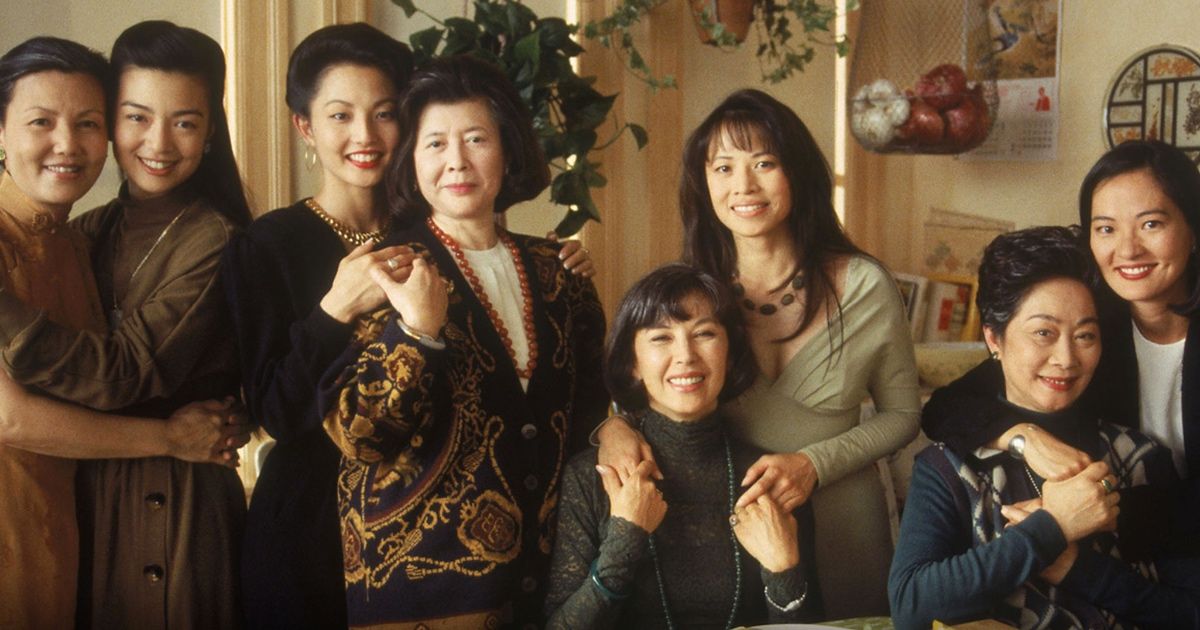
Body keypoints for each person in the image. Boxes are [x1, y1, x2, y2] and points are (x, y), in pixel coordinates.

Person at [598, 88, 920, 616]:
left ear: (797, 173)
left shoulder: (864, 284)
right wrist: (611, 427)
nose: (743, 186)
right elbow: (640, 389)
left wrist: (814, 463)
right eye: (723, 168)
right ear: (704, 184)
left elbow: (903, 414)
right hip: (730, 523)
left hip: (846, 519)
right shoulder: (693, 297)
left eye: (764, 163)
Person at [318, 54, 608, 627]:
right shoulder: (386, 271)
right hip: (420, 590)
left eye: (476, 139)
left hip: (550, 582)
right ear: (410, 159)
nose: (456, 162)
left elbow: (592, 410)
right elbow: (358, 435)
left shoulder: (559, 272)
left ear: (507, 150)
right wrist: (416, 333)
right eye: (434, 144)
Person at [0, 22, 252, 628]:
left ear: (212, 130)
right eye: (136, 117)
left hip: (172, 504)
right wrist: (169, 433)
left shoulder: (214, 239)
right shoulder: (88, 230)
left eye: (185, 122)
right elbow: (12, 415)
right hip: (77, 500)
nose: (158, 142)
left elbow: (124, 371)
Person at [889, 226, 1200, 629]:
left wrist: (1076, 569)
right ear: (994, 338)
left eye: (1085, 335)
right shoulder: (950, 466)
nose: (1066, 358)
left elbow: (1190, 615)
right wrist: (1050, 530)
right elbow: (911, 607)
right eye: (1043, 333)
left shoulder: (1138, 456)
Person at [222, 23, 414, 628]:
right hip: (306, 529)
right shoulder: (266, 245)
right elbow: (273, 412)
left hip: (426, 522)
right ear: (305, 125)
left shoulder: (433, 233)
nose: (365, 136)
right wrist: (335, 309)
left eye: (385, 114)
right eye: (340, 115)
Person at [922, 140, 1200, 528]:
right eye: (1106, 228)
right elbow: (946, 407)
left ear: (1193, 228)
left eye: (1151, 224)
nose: (1127, 249)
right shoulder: (1090, 330)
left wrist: (1079, 517)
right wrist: (1022, 437)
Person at [545, 263, 820, 628]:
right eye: (661, 338)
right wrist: (625, 537)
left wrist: (783, 571)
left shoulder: (771, 479)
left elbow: (814, 624)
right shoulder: (591, 476)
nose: (686, 355)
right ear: (632, 364)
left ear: (730, 352)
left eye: (704, 333)